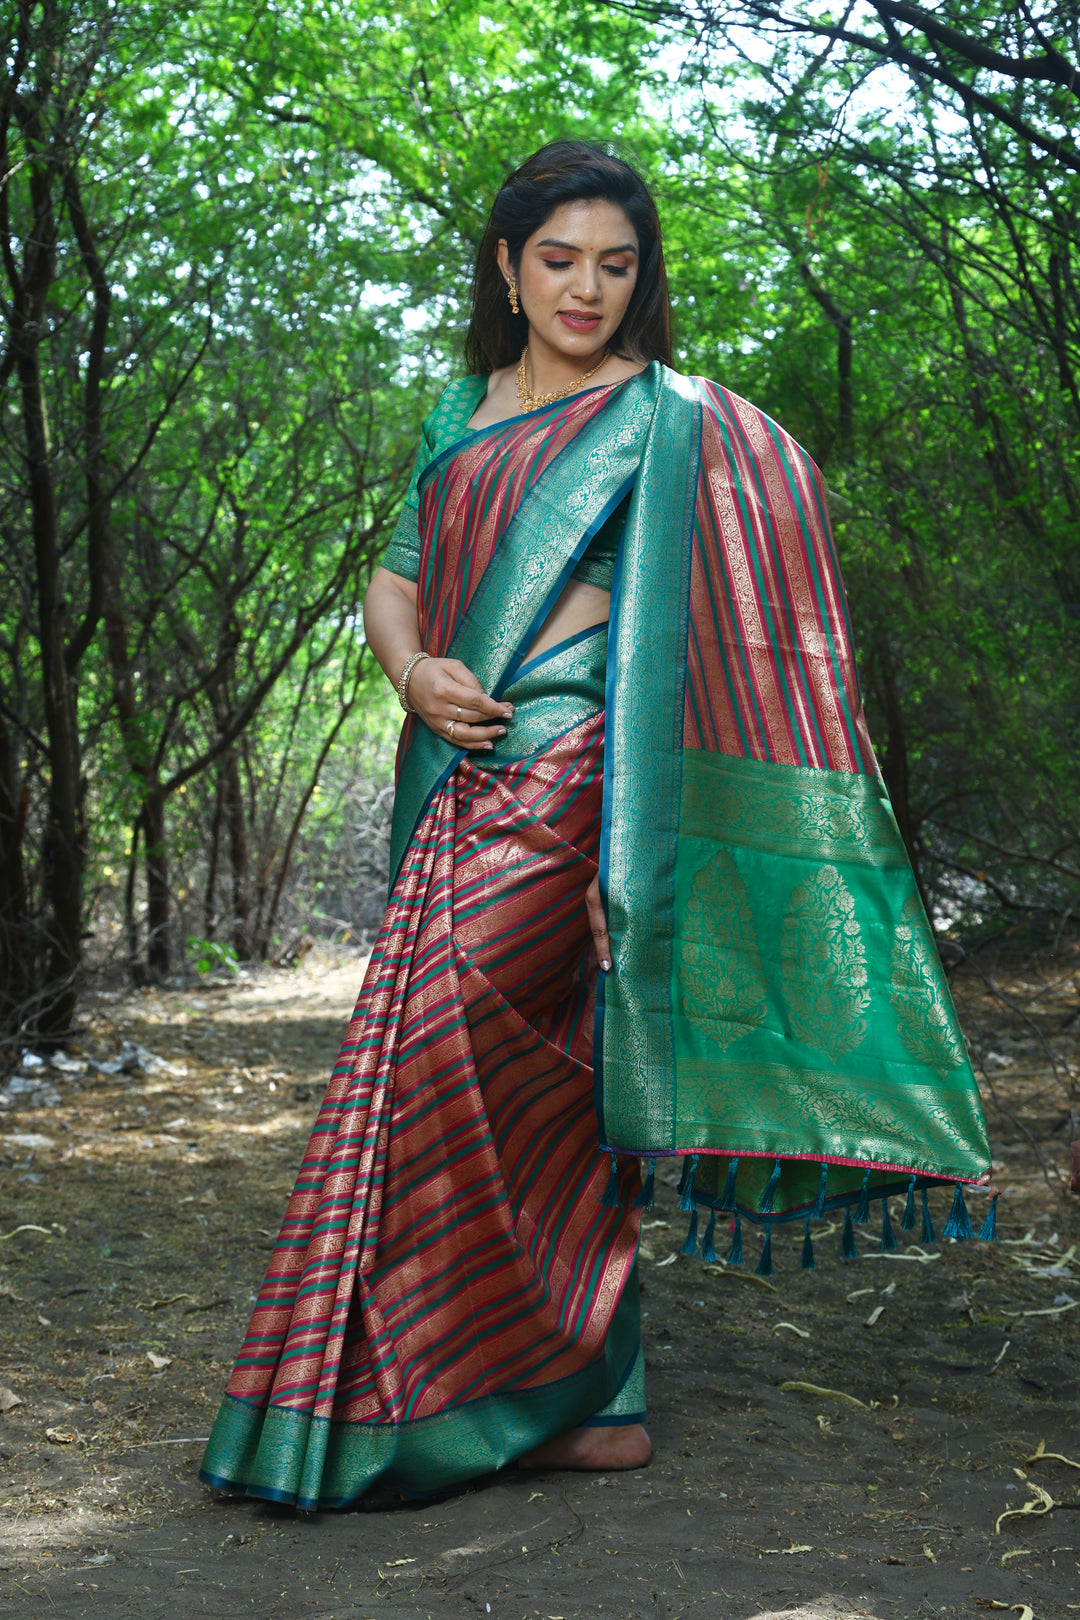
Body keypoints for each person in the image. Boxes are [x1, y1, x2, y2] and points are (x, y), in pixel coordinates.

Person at [200, 141, 991, 1510]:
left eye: (617, 265)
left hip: (584, 782)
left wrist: (648, 854)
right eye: (559, 260)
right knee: (503, 1079)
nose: (588, 288)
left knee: (465, 1061)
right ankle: (576, 1395)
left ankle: (468, 1396)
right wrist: (416, 671)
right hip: (457, 765)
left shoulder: (674, 424)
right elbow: (398, 586)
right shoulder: (466, 408)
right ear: (506, 268)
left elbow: (724, 647)